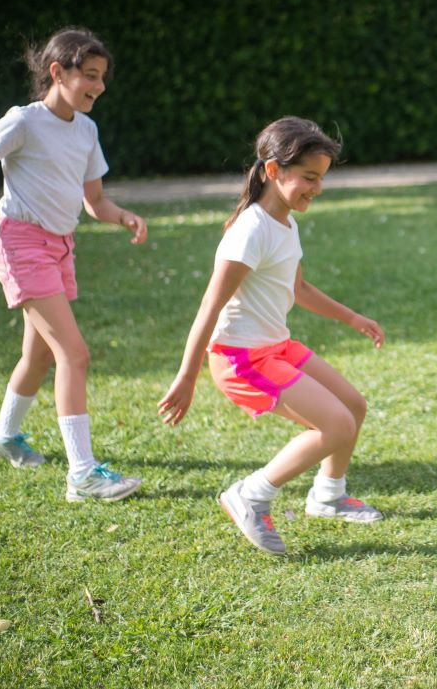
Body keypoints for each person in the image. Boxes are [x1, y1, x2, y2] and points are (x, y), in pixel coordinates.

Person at [0, 27, 146, 502]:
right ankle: (82, 475)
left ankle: (3, 435)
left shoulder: (86, 130)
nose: (99, 87)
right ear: (57, 72)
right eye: (90, 75)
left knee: (41, 353)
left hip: (60, 246)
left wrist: (122, 216)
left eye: (102, 77)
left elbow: (95, 202)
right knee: (74, 354)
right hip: (21, 242)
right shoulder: (22, 122)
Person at [158, 116, 385, 556]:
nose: (316, 190)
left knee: (353, 406)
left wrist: (352, 317)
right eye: (308, 178)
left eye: (320, 179)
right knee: (335, 424)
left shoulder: (285, 223)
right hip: (240, 357)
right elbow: (210, 306)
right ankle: (251, 495)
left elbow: (298, 289)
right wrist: (187, 377)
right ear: (273, 170)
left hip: (275, 346)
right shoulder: (251, 230)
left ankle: (328, 496)